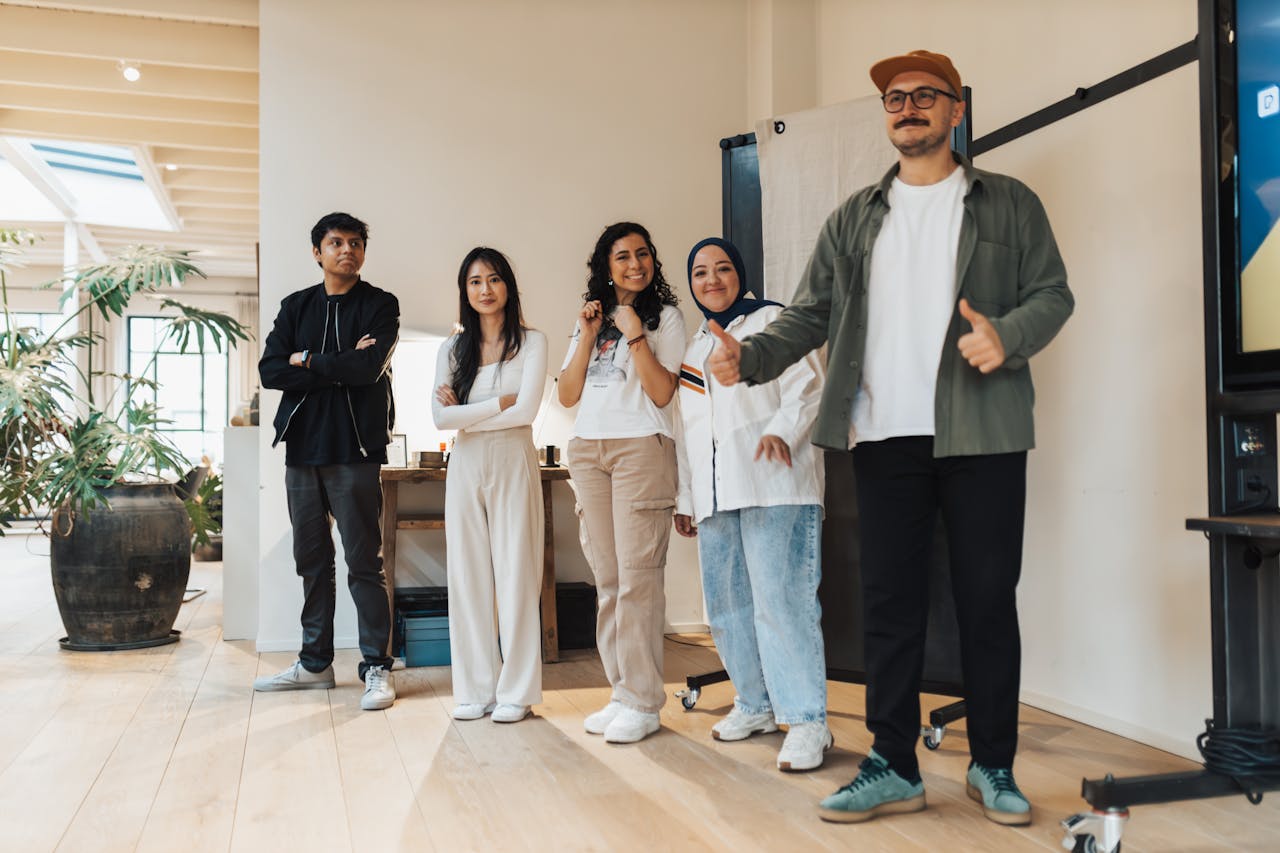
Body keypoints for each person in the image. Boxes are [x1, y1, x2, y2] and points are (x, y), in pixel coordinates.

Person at [706, 50, 1073, 825]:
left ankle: (994, 764)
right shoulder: (854, 218)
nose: (906, 108)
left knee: (985, 601)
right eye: (894, 99)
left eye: (923, 97)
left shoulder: (1008, 204)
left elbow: (1053, 292)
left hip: (984, 432)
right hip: (882, 436)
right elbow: (808, 314)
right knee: (890, 605)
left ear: (955, 111)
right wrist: (755, 354)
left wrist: (1005, 335)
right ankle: (892, 762)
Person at [673, 237, 830, 771]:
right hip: (717, 496)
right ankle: (755, 704)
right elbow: (689, 428)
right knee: (727, 606)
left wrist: (782, 433)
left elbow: (807, 387)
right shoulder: (694, 349)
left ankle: (808, 721)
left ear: (741, 274)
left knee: (782, 604)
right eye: (700, 272)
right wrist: (687, 496)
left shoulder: (774, 321)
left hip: (774, 486)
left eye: (722, 269)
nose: (711, 280)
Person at [255, 211, 399, 712]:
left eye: (356, 242)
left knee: (364, 563)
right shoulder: (295, 306)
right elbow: (272, 369)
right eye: (336, 243)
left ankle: (377, 669)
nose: (347, 250)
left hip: (356, 452)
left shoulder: (381, 305)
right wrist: (331, 362)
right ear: (317, 252)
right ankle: (315, 665)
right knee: (312, 562)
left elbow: (367, 368)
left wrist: (308, 359)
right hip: (302, 454)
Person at [558, 221, 686, 744]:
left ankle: (643, 701)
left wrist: (634, 331)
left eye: (642, 254)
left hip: (640, 447)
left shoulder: (668, 318)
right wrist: (589, 333)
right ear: (605, 267)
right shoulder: (589, 319)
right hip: (590, 449)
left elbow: (662, 394)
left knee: (638, 579)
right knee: (608, 581)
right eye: (622, 257)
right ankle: (622, 692)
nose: (635, 264)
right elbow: (568, 394)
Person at [432, 247, 547, 724]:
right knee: (467, 576)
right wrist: (497, 403)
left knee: (518, 574)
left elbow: (526, 411)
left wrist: (468, 412)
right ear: (465, 291)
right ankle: (476, 688)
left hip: (515, 457)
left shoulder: (533, 342)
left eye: (494, 279)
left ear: (508, 286)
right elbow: (440, 419)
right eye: (475, 282)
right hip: (466, 463)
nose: (485, 289)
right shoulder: (451, 350)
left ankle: (516, 691)